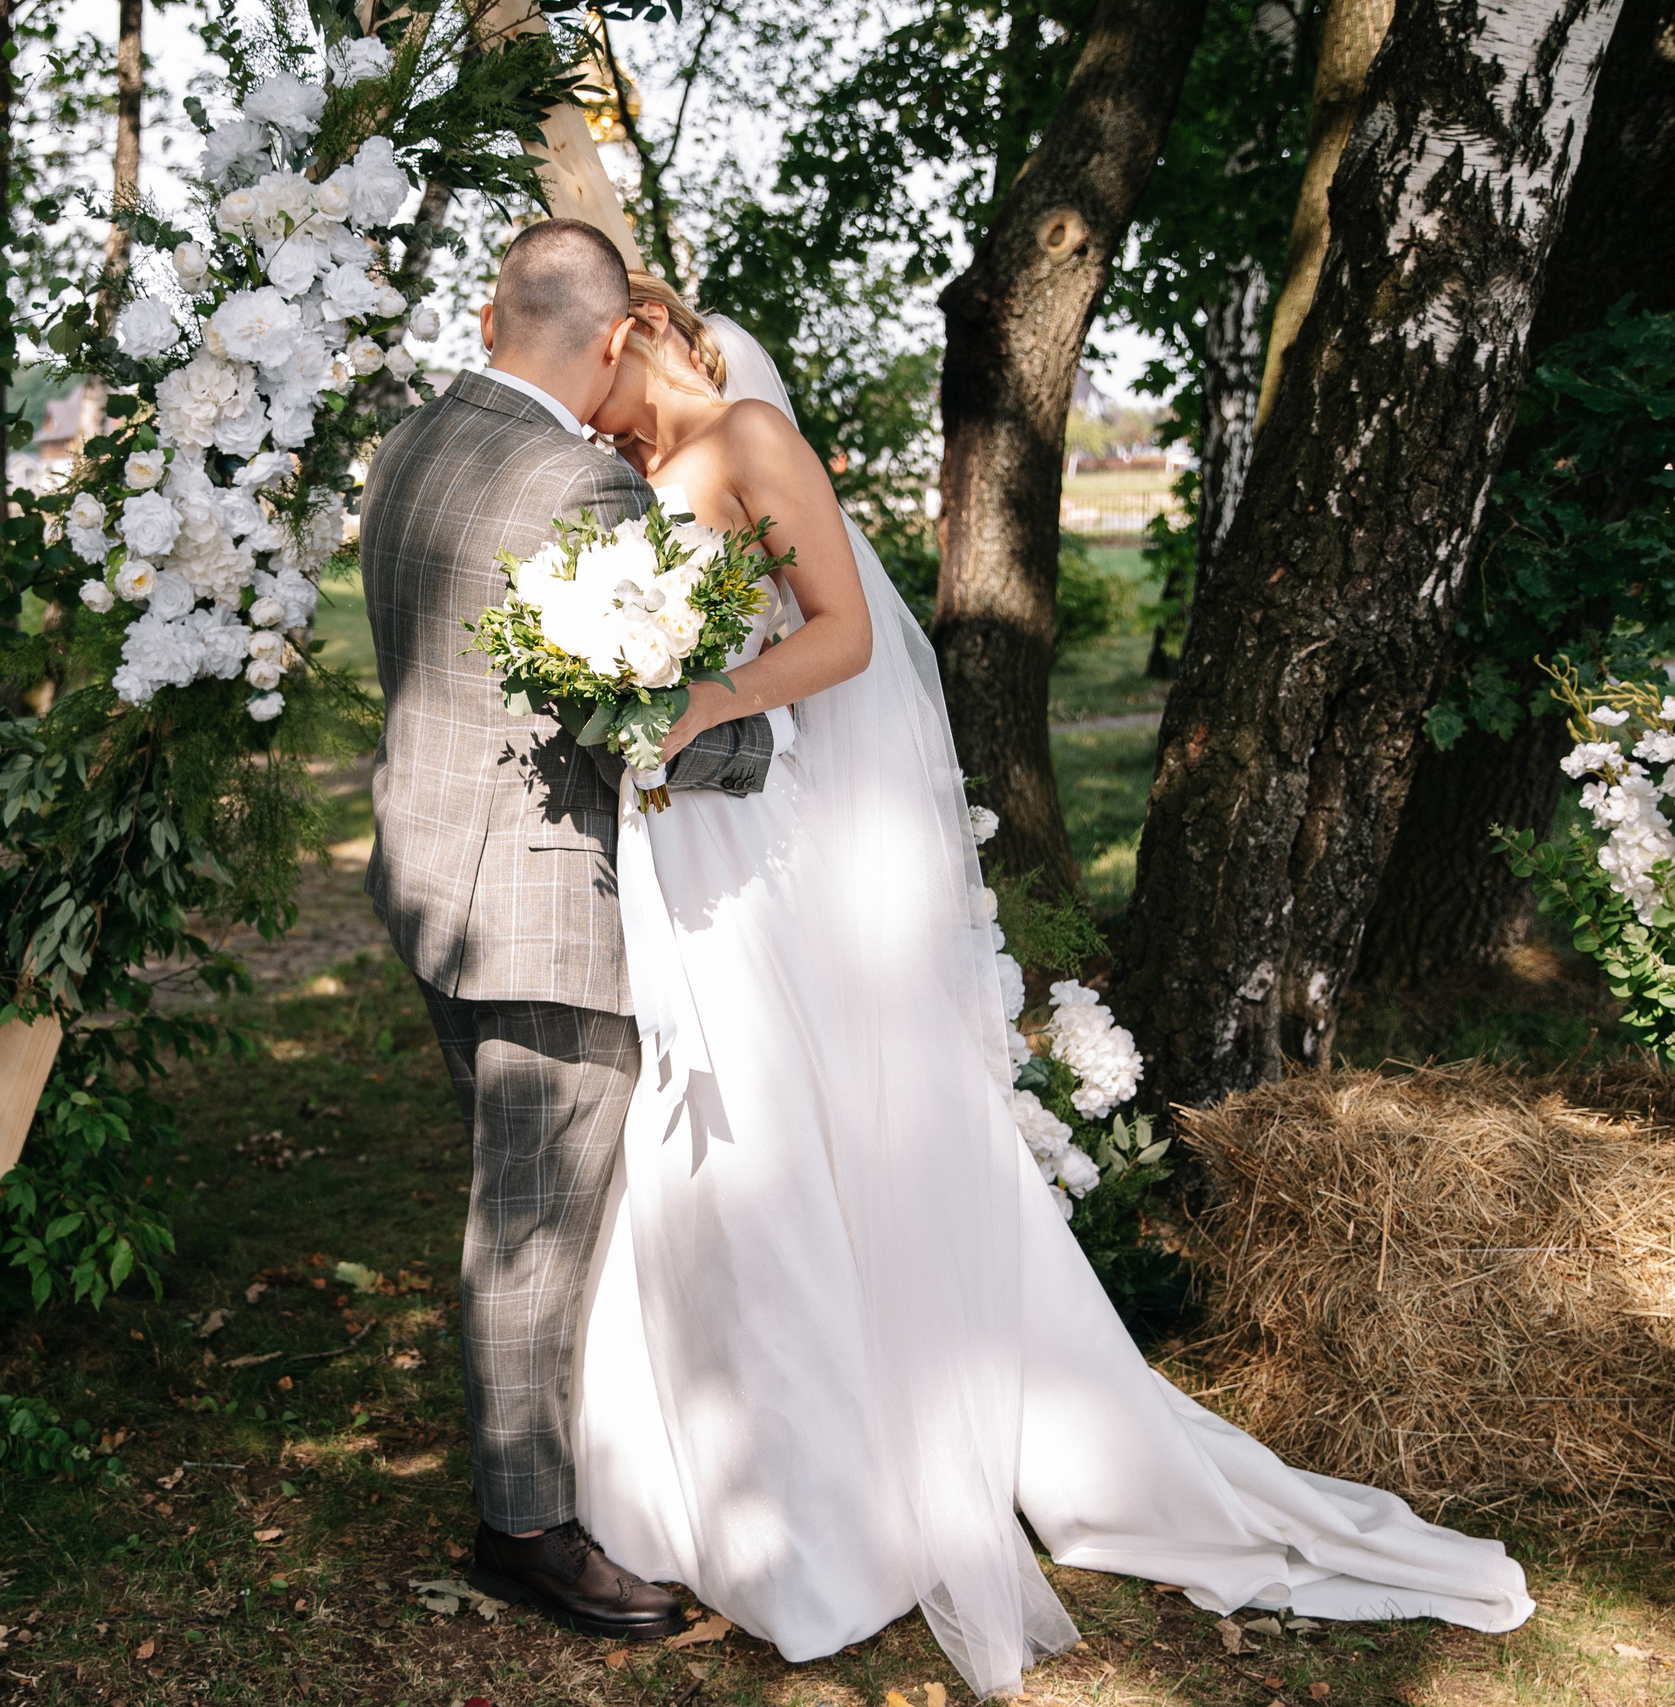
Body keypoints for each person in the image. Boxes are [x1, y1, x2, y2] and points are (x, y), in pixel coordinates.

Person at [563, 270, 1537, 1697]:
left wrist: (701, 693)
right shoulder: (626, 471)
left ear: (629, 334)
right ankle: (712, 1479)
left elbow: (839, 634)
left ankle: (849, 1498)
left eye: (572, 363)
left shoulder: (750, 439)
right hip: (689, 836)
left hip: (762, 831)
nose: (564, 394)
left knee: (788, 1134)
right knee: (712, 1131)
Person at [356, 219, 776, 1641]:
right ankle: (525, 1529)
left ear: (494, 318)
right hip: (538, 907)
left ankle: (552, 1468)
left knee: (516, 1203)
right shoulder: (583, 487)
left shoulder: (410, 445)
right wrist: (759, 747)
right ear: (610, 339)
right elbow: (636, 723)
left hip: (428, 877)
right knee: (530, 1227)